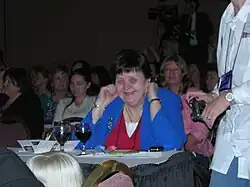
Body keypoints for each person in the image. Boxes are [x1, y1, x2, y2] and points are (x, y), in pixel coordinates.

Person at [187, 0, 250, 186]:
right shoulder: (228, 16)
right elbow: (228, 75)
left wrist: (229, 97)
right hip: (230, 138)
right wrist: (214, 95)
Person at [79, 49, 186, 151]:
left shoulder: (169, 100)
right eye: (120, 81)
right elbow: (79, 144)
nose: (126, 87)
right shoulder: (111, 104)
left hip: (152, 170)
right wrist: (98, 107)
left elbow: (172, 145)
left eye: (133, 80)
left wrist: (154, 101)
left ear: (147, 82)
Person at [1, 68, 44, 139]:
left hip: (23, 144)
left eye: (8, 82)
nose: (4, 84)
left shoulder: (29, 102)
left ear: (19, 85)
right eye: (5, 81)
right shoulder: (5, 100)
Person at [179, 0, 213, 80]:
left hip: (200, 49)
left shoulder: (202, 17)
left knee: (201, 72)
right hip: (188, 50)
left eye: (188, 4)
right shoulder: (184, 18)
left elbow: (210, 30)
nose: (185, 7)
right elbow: (181, 33)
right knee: (189, 73)